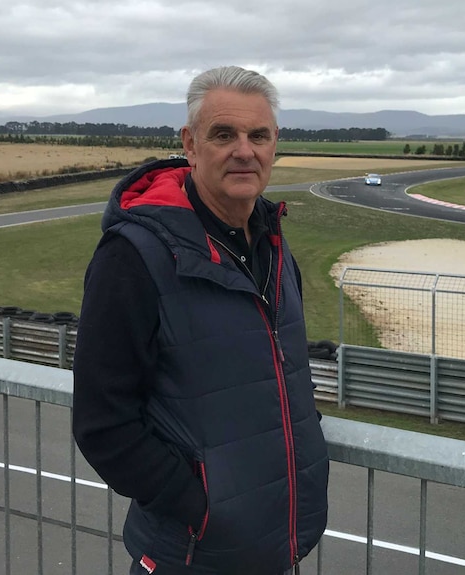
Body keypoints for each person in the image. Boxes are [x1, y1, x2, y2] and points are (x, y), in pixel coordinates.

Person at [72, 66, 329, 575]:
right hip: (189, 558)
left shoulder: (274, 248)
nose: (244, 150)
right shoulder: (133, 257)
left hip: (277, 549)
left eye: (259, 135)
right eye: (224, 134)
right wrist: (200, 508)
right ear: (190, 145)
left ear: (275, 145)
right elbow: (103, 424)